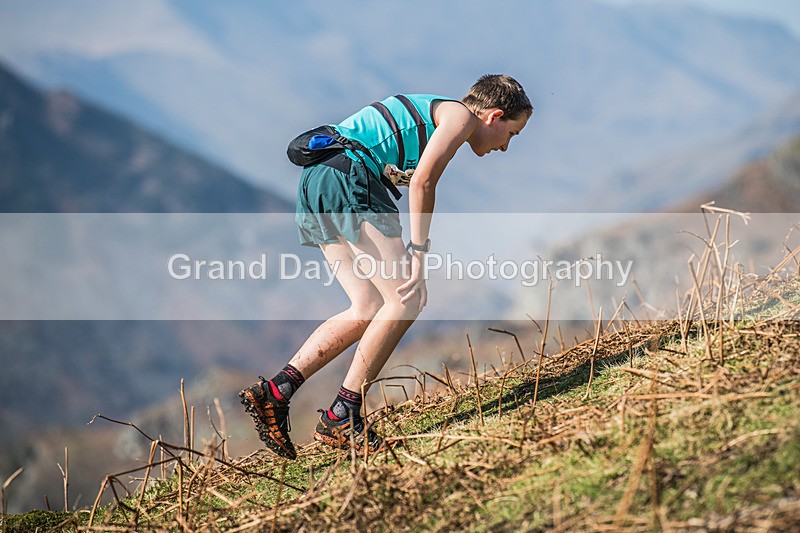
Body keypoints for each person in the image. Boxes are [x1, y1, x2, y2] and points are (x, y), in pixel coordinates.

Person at [240, 74, 532, 459]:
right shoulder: (460, 118)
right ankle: (344, 414)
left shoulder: (437, 113)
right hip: (349, 178)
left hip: (318, 181)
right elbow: (423, 183)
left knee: (367, 307)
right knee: (406, 300)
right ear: (493, 116)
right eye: (512, 133)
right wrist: (419, 253)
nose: (506, 147)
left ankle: (276, 392)